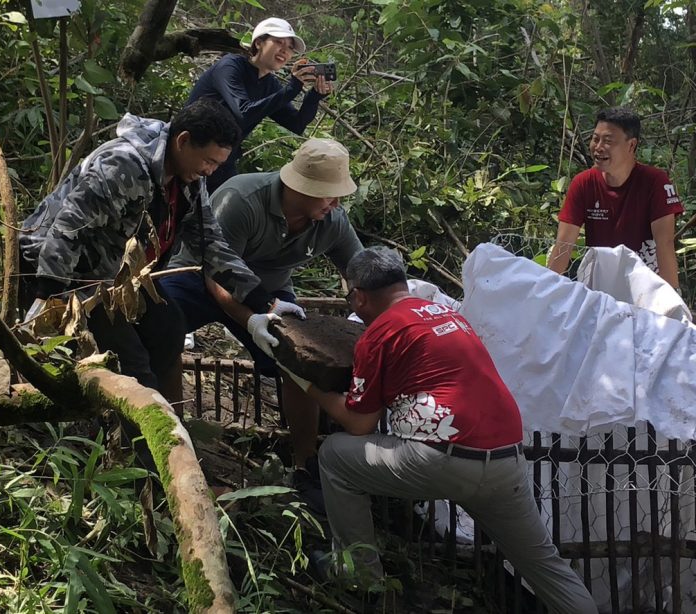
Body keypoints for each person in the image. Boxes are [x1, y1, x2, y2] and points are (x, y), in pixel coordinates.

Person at [279, 247, 599, 614]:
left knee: (335, 456)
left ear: (359, 296)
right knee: (545, 565)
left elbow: (359, 423)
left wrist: (305, 383)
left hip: (442, 459)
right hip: (506, 459)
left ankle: (359, 575)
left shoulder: (380, 332)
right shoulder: (449, 316)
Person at [18, 99, 287, 400]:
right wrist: (48, 295)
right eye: (208, 161)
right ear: (183, 141)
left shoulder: (189, 179)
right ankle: (137, 419)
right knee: (131, 365)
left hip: (117, 273)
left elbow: (209, 241)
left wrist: (262, 301)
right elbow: (69, 227)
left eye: (217, 165)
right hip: (66, 272)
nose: (210, 171)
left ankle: (165, 410)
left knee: (169, 327)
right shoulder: (123, 165)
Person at [160, 138, 363, 512]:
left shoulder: (331, 221)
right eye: (327, 195)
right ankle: (173, 442)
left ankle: (305, 464)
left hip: (270, 293)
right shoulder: (242, 200)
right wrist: (249, 319)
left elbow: (360, 272)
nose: (334, 203)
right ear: (301, 187)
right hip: (198, 276)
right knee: (162, 329)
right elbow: (218, 269)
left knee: (298, 361)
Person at [186, 17, 332, 191]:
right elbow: (244, 112)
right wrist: (292, 88)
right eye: (279, 42)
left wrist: (315, 95)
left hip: (223, 161)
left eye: (290, 48)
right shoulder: (231, 66)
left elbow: (297, 123)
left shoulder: (269, 84)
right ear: (258, 43)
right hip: (193, 151)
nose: (284, 50)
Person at [547, 107, 684, 290]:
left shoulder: (656, 182)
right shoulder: (583, 183)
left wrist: (671, 299)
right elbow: (563, 245)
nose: (598, 147)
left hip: (644, 285)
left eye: (608, 141)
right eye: (595, 139)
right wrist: (545, 290)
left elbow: (664, 244)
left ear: (631, 145)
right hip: (598, 285)